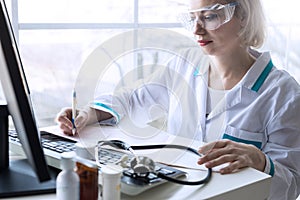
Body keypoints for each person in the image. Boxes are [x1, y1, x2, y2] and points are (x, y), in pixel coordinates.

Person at [56, 0, 300, 199]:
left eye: (210, 16)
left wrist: (260, 161)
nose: (196, 30)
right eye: (192, 18)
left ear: (244, 16)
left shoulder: (283, 93)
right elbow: (131, 100)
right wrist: (89, 114)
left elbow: (292, 184)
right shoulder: (182, 65)